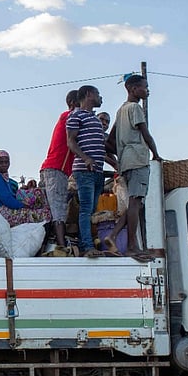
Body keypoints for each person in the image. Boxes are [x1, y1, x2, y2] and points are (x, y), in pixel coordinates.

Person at [104, 75, 162, 257]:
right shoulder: (136, 108)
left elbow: (110, 140)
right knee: (136, 203)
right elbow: (146, 133)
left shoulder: (121, 110)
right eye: (144, 87)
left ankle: (113, 236)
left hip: (126, 161)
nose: (147, 91)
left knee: (134, 204)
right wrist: (156, 154)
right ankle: (131, 246)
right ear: (132, 89)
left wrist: (120, 153)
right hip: (138, 158)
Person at [66, 85, 117, 257]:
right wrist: (85, 158)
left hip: (96, 172)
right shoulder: (76, 115)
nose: (100, 98)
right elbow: (71, 142)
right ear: (88, 95)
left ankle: (87, 242)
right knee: (86, 209)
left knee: (92, 209)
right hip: (84, 170)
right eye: (98, 94)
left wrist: (114, 165)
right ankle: (86, 246)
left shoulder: (94, 119)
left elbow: (101, 147)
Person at [39, 90, 79, 253]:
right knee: (59, 208)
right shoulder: (69, 116)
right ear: (72, 103)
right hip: (56, 169)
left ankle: (52, 243)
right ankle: (62, 246)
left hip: (53, 169)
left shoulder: (67, 117)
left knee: (53, 209)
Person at [0, 150, 49, 226]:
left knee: (39, 196)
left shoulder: (3, 177)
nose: (4, 164)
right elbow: (7, 199)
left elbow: (11, 196)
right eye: (0, 162)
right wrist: (23, 205)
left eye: (6, 162)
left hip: (5, 208)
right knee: (44, 214)